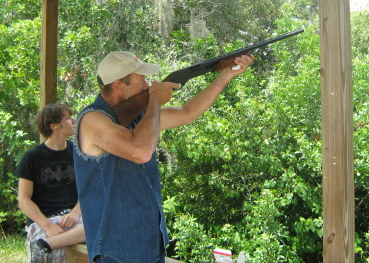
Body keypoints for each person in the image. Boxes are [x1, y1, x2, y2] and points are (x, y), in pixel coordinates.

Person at [73, 51, 254, 263]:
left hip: (149, 241)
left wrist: (226, 75)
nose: (148, 86)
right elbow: (140, 151)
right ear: (118, 86)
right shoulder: (93, 119)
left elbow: (188, 113)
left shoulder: (139, 115)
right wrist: (155, 102)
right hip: (118, 249)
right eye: (141, 80)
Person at [14, 103, 85, 263]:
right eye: (68, 118)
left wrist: (75, 212)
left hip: (76, 219)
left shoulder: (79, 154)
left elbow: (89, 188)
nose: (74, 121)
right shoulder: (31, 158)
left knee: (100, 227)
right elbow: (23, 199)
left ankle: (46, 244)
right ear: (55, 126)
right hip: (44, 221)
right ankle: (43, 243)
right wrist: (48, 226)